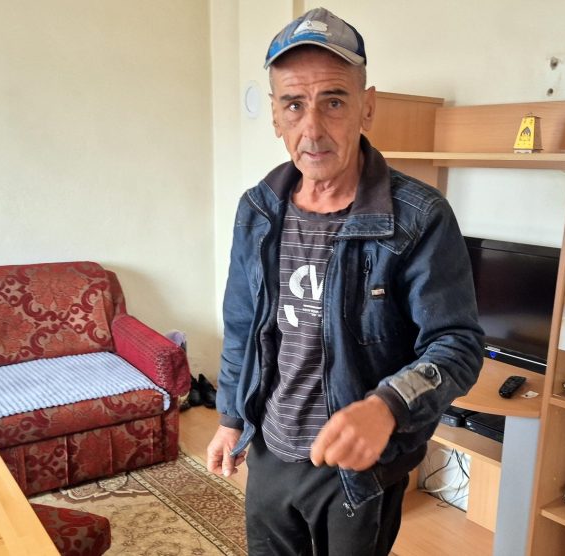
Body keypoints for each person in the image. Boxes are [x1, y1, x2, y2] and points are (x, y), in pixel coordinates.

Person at [206, 8, 484, 555]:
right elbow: (242, 327)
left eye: (333, 101)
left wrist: (387, 406)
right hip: (270, 451)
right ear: (275, 115)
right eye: (294, 104)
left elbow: (457, 345)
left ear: (367, 106)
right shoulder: (257, 210)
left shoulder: (419, 217)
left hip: (358, 473)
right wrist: (231, 418)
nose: (312, 129)